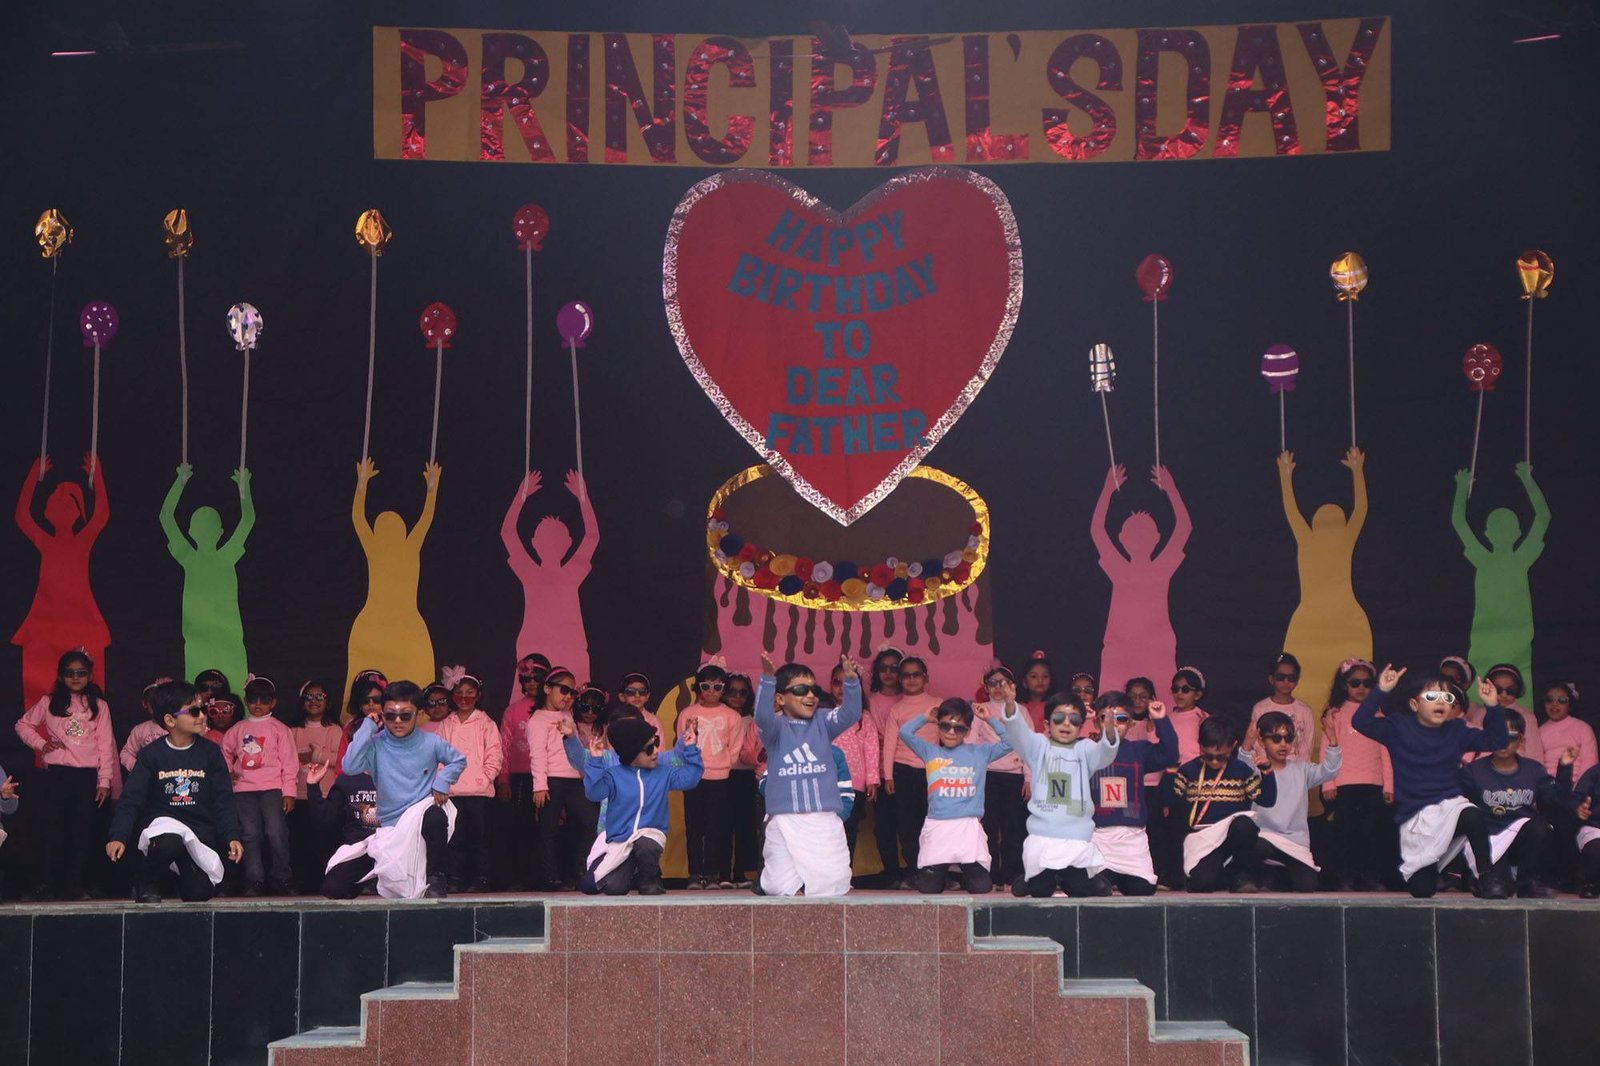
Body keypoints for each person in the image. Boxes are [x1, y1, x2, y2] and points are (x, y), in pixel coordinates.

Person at [1353, 665, 1510, 898]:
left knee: (1472, 814)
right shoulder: (1398, 727)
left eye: (1447, 698)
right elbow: (1360, 722)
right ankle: (1435, 861)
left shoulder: (1457, 730)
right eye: (1432, 696)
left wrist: (1492, 705)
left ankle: (1487, 876)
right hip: (1417, 817)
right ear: (1414, 705)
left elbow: (1497, 740)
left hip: (1449, 807)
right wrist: (1381, 690)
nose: (1441, 702)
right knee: (1422, 890)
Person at [106, 680, 242, 902]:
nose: (202, 716)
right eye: (194, 711)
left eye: (202, 709)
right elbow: (131, 799)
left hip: (197, 833)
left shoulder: (211, 753)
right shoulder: (151, 754)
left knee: (199, 893)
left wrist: (231, 835)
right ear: (170, 720)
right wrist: (118, 835)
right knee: (170, 841)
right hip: (163, 830)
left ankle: (179, 877)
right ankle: (147, 882)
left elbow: (223, 799)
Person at [329, 680, 467, 899]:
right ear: (382, 715)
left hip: (420, 823)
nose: (397, 721)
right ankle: (378, 878)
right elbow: (349, 766)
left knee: (436, 814)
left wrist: (442, 782)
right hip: (389, 831)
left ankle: (436, 878)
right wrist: (367, 727)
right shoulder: (375, 743)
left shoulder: (431, 742)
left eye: (405, 715)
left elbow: (458, 760)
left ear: (418, 714)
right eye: (390, 715)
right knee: (334, 887)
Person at [1278, 448, 1372, 747]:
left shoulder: (1323, 539)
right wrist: (1356, 472)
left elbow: (1294, 512)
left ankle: (1348, 750)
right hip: (1314, 623)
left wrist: (1286, 477)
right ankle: (1309, 753)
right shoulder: (1315, 539)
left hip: (1341, 621)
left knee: (1351, 693)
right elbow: (1359, 510)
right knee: (1305, 692)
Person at [753, 652, 862, 897]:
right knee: (778, 885)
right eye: (801, 690)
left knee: (832, 881)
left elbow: (851, 714)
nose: (810, 695)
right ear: (780, 698)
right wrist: (768, 679)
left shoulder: (824, 721)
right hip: (784, 819)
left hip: (823, 820)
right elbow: (761, 716)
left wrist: (851, 680)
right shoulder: (775, 728)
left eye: (814, 689)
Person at [995, 684, 1120, 897]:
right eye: (1059, 718)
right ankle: (1031, 878)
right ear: (1047, 723)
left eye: (1074, 720)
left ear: (1081, 726)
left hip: (1076, 838)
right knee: (1040, 891)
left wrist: (1108, 732)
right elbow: (1018, 734)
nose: (1066, 724)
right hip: (1043, 836)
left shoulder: (1086, 749)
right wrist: (1010, 705)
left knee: (1079, 890)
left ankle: (1082, 878)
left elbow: (1105, 755)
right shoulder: (1038, 746)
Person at [14, 649, 116, 899]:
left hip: (86, 776)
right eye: (69, 673)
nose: (75, 678)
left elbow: (105, 745)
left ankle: (75, 884)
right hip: (57, 774)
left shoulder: (99, 705)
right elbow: (22, 725)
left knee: (82, 831)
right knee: (53, 829)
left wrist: (104, 781)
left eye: (81, 673)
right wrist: (41, 744)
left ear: (90, 675)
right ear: (60, 676)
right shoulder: (49, 702)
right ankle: (48, 883)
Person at [12, 455, 111, 705]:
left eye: (68, 502)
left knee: (89, 680)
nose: (61, 505)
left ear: (77, 513)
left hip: (81, 617)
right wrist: (32, 477)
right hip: (46, 617)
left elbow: (101, 515)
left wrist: (98, 478)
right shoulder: (46, 541)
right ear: (47, 511)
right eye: (56, 501)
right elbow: (22, 517)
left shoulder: (82, 541)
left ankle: (88, 723)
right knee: (40, 676)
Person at [567, 713, 703, 895]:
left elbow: (689, 779)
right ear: (631, 753)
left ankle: (649, 879)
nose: (656, 751)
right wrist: (596, 762)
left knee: (646, 844)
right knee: (610, 888)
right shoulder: (614, 774)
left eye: (655, 743)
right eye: (649, 748)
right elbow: (594, 793)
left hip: (651, 833)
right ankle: (632, 867)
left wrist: (691, 748)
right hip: (621, 840)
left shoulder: (663, 772)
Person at [345, 459, 440, 707]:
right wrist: (361, 484)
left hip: (406, 626)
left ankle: (412, 719)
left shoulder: (408, 548)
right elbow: (358, 519)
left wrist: (363, 484)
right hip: (375, 624)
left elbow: (424, 521)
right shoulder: (380, 549)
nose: (389, 530)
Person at [1451, 462, 1549, 702]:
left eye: (1507, 529)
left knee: (1519, 693)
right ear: (1487, 533)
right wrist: (1461, 488)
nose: (1503, 534)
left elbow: (1544, 517)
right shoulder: (1484, 559)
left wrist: (1528, 480)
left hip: (1518, 641)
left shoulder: (1519, 558)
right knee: (1479, 695)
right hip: (1484, 640)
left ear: (1517, 533)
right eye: (1497, 529)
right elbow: (1458, 523)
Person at [1091, 464, 1191, 693]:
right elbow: (1097, 531)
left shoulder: (1162, 567)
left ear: (1157, 537)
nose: (1139, 538)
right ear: (1121, 538)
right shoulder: (1118, 567)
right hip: (1119, 650)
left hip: (1158, 648)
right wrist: (1106, 491)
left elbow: (1184, 528)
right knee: (1112, 703)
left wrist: (1172, 489)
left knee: (1164, 702)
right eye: (1133, 534)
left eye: (1144, 533)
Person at [895, 697, 1012, 894]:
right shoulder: (930, 751)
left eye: (959, 728)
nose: (951, 732)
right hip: (938, 826)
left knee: (981, 887)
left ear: (968, 731)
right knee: (928, 888)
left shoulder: (980, 753)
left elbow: (1010, 743)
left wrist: (989, 719)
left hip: (968, 827)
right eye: (945, 726)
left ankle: (964, 872)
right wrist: (924, 718)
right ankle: (943, 876)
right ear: (938, 725)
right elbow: (904, 733)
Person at [157, 463, 255, 685]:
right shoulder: (206, 556)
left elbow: (166, 517)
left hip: (226, 637)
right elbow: (247, 520)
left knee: (229, 688)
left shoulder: (200, 557)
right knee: (202, 689)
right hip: (200, 638)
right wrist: (244, 489)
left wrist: (180, 482)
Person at [1460, 711, 1574, 898]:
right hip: (1488, 841)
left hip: (1523, 841)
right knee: (1499, 891)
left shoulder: (1534, 770)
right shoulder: (1472, 771)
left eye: (1511, 736)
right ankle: (1483, 879)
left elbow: (1557, 802)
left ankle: (1528, 883)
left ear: (1521, 739)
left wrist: (1565, 768)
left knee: (1541, 827)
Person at [501, 469, 598, 679]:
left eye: (556, 538)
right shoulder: (531, 572)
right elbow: (507, 533)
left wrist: (584, 498)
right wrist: (520, 496)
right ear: (534, 542)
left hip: (571, 649)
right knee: (528, 696)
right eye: (546, 538)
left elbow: (592, 537)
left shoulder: (570, 572)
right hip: (533, 649)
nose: (551, 544)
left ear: (568, 543)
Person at [1174, 717, 1278, 893]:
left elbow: (1267, 800)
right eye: (1208, 756)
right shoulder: (1188, 771)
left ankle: (1242, 875)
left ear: (1233, 746)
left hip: (1232, 837)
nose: (1214, 762)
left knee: (1244, 823)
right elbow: (1167, 802)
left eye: (1221, 757)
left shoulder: (1241, 770)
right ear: (1200, 746)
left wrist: (1267, 771)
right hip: (1204, 839)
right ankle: (1226, 875)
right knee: (1202, 884)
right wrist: (1170, 771)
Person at [1089, 692, 1176, 896]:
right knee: (1095, 888)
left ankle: (1119, 878)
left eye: (1121, 719)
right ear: (1096, 722)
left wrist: (1161, 720)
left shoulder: (1139, 751)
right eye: (1106, 718)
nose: (1113, 724)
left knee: (1143, 889)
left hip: (1132, 837)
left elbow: (1170, 754)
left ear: (1130, 724)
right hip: (1096, 836)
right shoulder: (1086, 750)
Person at [1320, 659, 1393, 890]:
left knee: (1371, 833)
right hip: (1344, 784)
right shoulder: (1336, 714)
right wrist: (1328, 783)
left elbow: (1386, 752)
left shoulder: (1377, 715)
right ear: (1345, 685)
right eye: (1355, 683)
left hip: (1373, 783)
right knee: (1345, 833)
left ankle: (1370, 878)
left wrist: (1389, 785)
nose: (1361, 688)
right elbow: (1326, 749)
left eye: (1367, 683)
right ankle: (1345, 879)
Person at [1249, 710, 1341, 892]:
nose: (1283, 744)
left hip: (1294, 843)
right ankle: (1267, 873)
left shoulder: (1302, 770)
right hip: (1265, 838)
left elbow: (1330, 771)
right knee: (1255, 845)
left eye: (1288, 738)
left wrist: (1333, 740)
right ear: (1261, 741)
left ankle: (1278, 875)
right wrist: (1246, 744)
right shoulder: (1255, 771)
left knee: (1307, 885)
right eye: (1276, 738)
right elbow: (1240, 764)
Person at [222, 676, 297, 895]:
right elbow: (224, 752)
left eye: (264, 700)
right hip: (243, 791)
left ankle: (282, 877)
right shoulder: (238, 728)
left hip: (272, 789)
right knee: (250, 834)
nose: (258, 704)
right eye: (253, 699)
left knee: (276, 832)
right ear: (246, 701)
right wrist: (227, 773)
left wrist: (289, 792)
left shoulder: (280, 729)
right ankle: (254, 880)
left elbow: (290, 763)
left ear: (273, 702)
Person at [527, 667, 596, 889]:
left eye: (572, 692)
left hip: (574, 779)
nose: (568, 697)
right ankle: (550, 878)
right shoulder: (537, 720)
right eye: (564, 690)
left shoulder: (567, 715)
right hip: (551, 781)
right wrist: (540, 786)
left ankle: (579, 872)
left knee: (589, 821)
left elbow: (575, 748)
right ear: (547, 688)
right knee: (549, 830)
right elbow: (537, 754)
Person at [678, 663, 745, 889]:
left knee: (717, 827)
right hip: (693, 777)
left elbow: (735, 746)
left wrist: (724, 764)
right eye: (706, 686)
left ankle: (713, 874)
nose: (711, 691)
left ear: (723, 689)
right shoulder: (688, 713)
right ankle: (695, 874)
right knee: (694, 826)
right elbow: (681, 744)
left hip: (721, 779)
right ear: (698, 687)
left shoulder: (731, 716)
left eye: (717, 687)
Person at [437, 667, 503, 892]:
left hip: (479, 793)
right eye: (459, 693)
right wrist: (441, 783)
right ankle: (455, 879)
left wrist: (485, 777)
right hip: (452, 792)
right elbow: (438, 755)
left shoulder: (486, 723)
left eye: (469, 693)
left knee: (480, 838)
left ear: (478, 695)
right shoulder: (446, 724)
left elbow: (494, 754)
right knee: (455, 838)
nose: (464, 698)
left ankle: (481, 878)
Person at [881, 656, 941, 879]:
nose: (911, 679)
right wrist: (888, 776)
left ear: (926, 678)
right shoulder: (896, 709)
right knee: (907, 825)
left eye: (916, 674)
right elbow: (889, 745)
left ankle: (934, 872)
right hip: (903, 771)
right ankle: (914, 873)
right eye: (906, 675)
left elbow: (948, 738)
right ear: (900, 679)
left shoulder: (938, 704)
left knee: (932, 822)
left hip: (932, 772)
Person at [1152, 666, 1210, 888]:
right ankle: (1171, 877)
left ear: (1198, 694)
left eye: (1185, 689)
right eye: (1175, 689)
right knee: (1170, 829)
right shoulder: (1165, 718)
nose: (1179, 693)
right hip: (1170, 778)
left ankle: (1193, 876)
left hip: (1196, 781)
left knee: (1191, 830)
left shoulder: (1203, 718)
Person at [496, 654, 549, 889]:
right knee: (520, 828)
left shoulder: (554, 709)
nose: (532, 683)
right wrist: (503, 780)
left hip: (547, 779)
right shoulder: (513, 711)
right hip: (520, 779)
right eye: (527, 679)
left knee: (546, 828)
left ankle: (545, 877)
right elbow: (504, 748)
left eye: (537, 678)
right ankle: (521, 878)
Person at [305, 734, 379, 899]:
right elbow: (325, 819)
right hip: (359, 849)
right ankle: (363, 882)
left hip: (391, 847)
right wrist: (313, 786)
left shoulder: (398, 778)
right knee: (332, 888)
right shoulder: (347, 780)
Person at [976, 666, 1028, 890]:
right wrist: (974, 777)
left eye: (1003, 682)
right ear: (986, 687)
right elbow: (971, 744)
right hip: (987, 775)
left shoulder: (1021, 711)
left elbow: (1028, 745)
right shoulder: (980, 710)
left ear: (1012, 686)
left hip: (1014, 776)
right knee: (988, 826)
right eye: (993, 683)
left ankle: (1012, 874)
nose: (998, 687)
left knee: (1012, 827)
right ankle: (992, 874)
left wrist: (1028, 778)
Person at [289, 680, 343, 891]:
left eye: (319, 696)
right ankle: (303, 884)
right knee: (301, 842)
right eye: (309, 697)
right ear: (302, 702)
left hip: (326, 796)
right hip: (299, 796)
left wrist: (316, 755)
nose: (314, 701)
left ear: (328, 702)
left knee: (325, 841)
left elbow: (343, 760)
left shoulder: (334, 730)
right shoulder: (293, 731)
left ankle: (326, 882)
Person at [866, 646, 905, 884]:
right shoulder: (871, 701)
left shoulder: (908, 698)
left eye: (894, 668)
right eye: (883, 668)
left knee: (910, 824)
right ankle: (891, 872)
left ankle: (914, 872)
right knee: (884, 826)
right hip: (879, 770)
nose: (889, 673)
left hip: (907, 766)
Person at [724, 673, 763, 887]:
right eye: (732, 691)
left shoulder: (754, 721)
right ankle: (722, 873)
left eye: (743, 692)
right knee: (723, 824)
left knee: (745, 826)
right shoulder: (719, 717)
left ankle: (740, 872)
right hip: (722, 776)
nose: (737, 696)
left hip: (747, 776)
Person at [1243, 653, 1315, 765]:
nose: (1286, 682)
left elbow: (1307, 746)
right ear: (1271, 679)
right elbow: (1257, 742)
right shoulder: (1260, 709)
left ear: (1297, 681)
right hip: (1267, 768)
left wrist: (1299, 770)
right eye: (1280, 677)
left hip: (1296, 770)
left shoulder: (1305, 711)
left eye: (1291, 678)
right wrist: (1267, 766)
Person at [1468, 665, 1545, 765]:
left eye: (1510, 690)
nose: (1504, 695)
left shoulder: (1527, 716)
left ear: (1518, 690)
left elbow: (1534, 753)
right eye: (1498, 690)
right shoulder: (1480, 714)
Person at [121, 677, 176, 773]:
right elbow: (126, 753)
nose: (159, 706)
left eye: (164, 702)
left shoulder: (179, 726)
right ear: (145, 703)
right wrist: (138, 768)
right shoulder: (140, 730)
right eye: (154, 703)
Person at [1570, 763, 1600, 897]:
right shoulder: (1595, 773)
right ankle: (1591, 884)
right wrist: (1579, 808)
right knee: (1595, 849)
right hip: (1595, 827)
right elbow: (1575, 800)